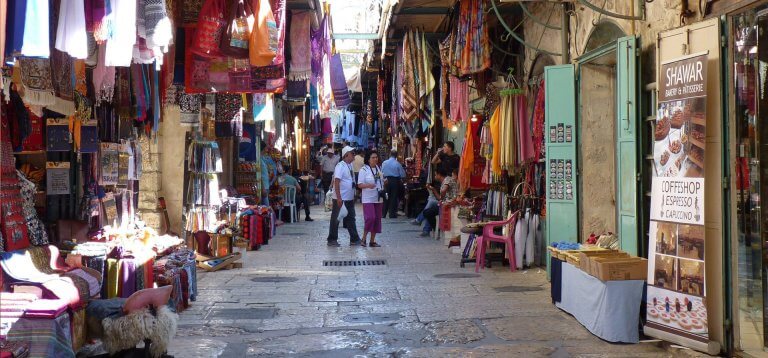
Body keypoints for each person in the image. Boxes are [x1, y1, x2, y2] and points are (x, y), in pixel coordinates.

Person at [326, 146, 361, 247]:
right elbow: (336, 182)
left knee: (351, 218)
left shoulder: (349, 165)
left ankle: (354, 239)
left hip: (348, 198)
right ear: (346, 155)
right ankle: (332, 239)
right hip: (340, 198)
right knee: (336, 219)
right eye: (352, 153)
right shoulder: (340, 166)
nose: (354, 155)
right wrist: (339, 198)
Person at [358, 151, 384, 247]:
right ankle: (364, 238)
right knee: (370, 218)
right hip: (368, 198)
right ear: (368, 159)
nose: (375, 159)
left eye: (376, 157)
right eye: (373, 157)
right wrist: (368, 185)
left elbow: (380, 181)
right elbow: (359, 184)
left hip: (378, 198)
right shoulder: (364, 170)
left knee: (377, 219)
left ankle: (372, 241)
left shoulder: (378, 168)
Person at [420, 169, 454, 237]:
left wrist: (442, 195)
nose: (435, 176)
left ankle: (434, 228)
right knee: (428, 208)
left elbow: (443, 192)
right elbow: (440, 198)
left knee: (429, 209)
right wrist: (433, 190)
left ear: (439, 175)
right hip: (443, 204)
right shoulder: (444, 181)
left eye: (435, 174)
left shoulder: (447, 179)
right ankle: (435, 228)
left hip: (449, 204)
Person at [381, 149, 406, 219]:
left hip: (386, 180)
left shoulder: (384, 163)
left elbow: (381, 172)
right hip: (395, 181)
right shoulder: (397, 163)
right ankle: (392, 214)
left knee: (386, 196)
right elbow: (403, 174)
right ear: (396, 156)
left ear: (390, 154)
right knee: (393, 197)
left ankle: (383, 213)